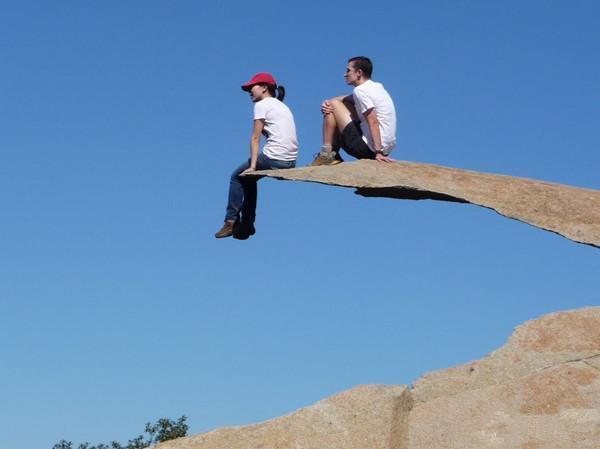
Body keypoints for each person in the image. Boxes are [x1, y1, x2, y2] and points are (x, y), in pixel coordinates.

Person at [215, 72, 299, 239]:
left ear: (264, 88)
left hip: (273, 157)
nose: (249, 91)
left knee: (237, 177)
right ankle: (247, 224)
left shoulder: (262, 105)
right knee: (249, 179)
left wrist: (253, 166)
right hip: (289, 161)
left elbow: (255, 138)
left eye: (252, 87)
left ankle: (231, 221)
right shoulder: (281, 106)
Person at [310, 56, 396, 166]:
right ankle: (331, 153)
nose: (345, 74)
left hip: (369, 150)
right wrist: (329, 101)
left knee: (333, 105)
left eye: (348, 70)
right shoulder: (376, 87)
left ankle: (326, 155)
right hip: (384, 149)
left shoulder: (361, 91)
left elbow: (373, 120)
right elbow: (347, 99)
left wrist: (378, 152)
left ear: (359, 72)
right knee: (339, 103)